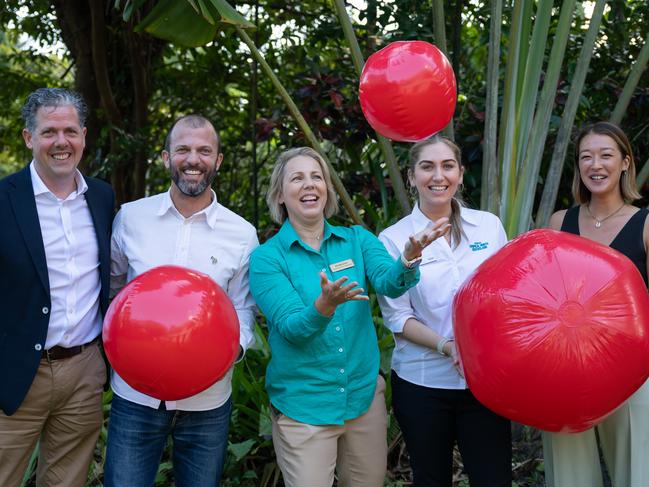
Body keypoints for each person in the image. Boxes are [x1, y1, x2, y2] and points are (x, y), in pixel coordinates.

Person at [248, 146, 450, 487]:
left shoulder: (356, 239)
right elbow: (292, 328)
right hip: (304, 408)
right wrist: (324, 306)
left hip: (362, 401)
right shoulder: (267, 259)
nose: (309, 185)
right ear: (280, 194)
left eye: (317, 177)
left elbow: (389, 281)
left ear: (327, 189)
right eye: (297, 178)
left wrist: (408, 259)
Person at [103, 114, 258, 487]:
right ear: (165, 157)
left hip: (208, 402)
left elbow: (243, 308)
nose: (193, 159)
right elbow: (112, 291)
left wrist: (227, 353)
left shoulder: (241, 233)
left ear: (218, 161)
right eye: (183, 149)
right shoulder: (131, 218)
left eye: (204, 151)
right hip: (135, 398)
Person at [377, 135, 512, 487]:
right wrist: (448, 347)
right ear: (411, 177)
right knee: (431, 478)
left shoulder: (489, 226)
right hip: (422, 383)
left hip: (483, 382)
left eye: (447, 166)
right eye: (427, 167)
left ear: (461, 174)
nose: (438, 176)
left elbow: (505, 295)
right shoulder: (393, 239)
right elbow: (398, 318)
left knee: (492, 478)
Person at [0, 88, 115, 487]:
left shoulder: (101, 197)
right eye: (49, 132)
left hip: (83, 370)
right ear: (29, 138)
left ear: (84, 135)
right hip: (13, 371)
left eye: (70, 131)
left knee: (67, 481)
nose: (61, 142)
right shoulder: (3, 199)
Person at [543, 121, 649, 487]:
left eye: (606, 155)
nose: (595, 164)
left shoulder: (646, 224)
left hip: (633, 372)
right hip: (567, 369)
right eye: (586, 157)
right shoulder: (560, 223)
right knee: (571, 477)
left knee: (638, 472)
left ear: (624, 163)